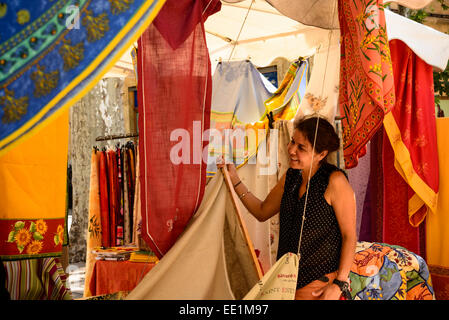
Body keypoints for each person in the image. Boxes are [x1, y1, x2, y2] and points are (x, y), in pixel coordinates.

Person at [217, 116, 356, 300]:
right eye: (292, 142)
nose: (291, 149)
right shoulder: (291, 177)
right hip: (285, 285)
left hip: (319, 287)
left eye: (301, 148)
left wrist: (339, 284)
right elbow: (261, 211)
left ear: (321, 154)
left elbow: (350, 236)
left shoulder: (334, 181)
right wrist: (234, 179)